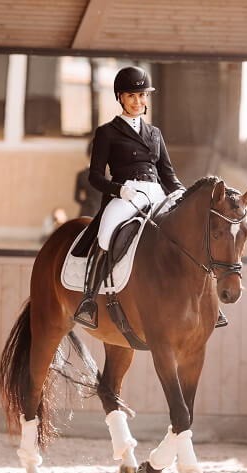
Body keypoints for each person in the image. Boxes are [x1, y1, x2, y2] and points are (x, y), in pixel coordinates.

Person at [73, 66, 185, 329]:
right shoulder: (107, 133)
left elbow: (168, 174)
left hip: (156, 193)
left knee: (184, 232)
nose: (138, 102)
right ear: (120, 97)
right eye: (132, 96)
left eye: (142, 95)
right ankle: (89, 300)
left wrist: (181, 193)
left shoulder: (155, 134)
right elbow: (95, 177)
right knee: (105, 232)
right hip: (126, 196)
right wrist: (119, 190)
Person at [73, 141, 102, 218]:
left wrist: (87, 202)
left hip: (87, 212)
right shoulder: (106, 175)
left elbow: (77, 198)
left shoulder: (81, 175)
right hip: (100, 213)